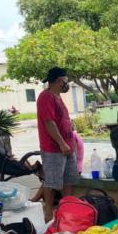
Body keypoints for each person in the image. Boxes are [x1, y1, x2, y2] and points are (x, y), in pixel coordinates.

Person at [36, 66, 77, 222]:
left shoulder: (58, 97)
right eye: (66, 81)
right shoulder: (46, 97)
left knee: (68, 180)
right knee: (52, 182)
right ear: (60, 81)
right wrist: (61, 143)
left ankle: (67, 210)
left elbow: (60, 120)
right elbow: (49, 122)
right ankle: (48, 213)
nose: (67, 84)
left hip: (68, 146)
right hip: (54, 148)